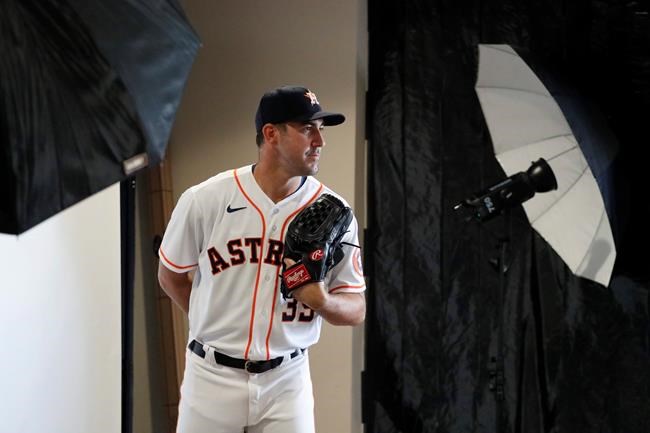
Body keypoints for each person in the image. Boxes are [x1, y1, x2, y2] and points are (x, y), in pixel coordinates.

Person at [157, 85, 366, 433]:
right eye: (307, 128)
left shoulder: (334, 212)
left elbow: (356, 308)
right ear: (271, 133)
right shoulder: (205, 199)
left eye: (322, 129)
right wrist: (210, 321)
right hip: (211, 377)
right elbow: (171, 277)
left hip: (287, 380)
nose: (320, 141)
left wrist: (323, 300)